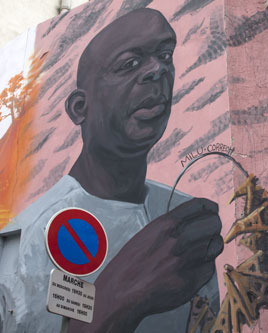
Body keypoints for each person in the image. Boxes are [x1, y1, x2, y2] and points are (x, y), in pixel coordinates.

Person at [0, 8, 223, 333]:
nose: (157, 70)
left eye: (165, 55)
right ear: (80, 108)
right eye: (130, 64)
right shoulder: (29, 238)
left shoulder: (181, 218)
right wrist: (117, 299)